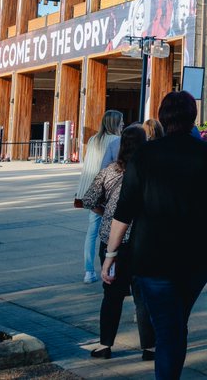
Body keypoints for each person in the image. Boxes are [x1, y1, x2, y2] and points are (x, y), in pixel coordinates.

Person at [103, 91, 207, 380]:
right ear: (193, 117)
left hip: (152, 254)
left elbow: (125, 209)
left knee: (168, 327)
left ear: (162, 117)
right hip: (197, 253)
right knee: (175, 323)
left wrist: (110, 254)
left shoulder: (145, 155)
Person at [83, 124, 155, 361]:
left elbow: (88, 199)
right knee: (142, 295)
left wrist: (105, 212)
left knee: (111, 295)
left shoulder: (109, 171)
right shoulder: (149, 172)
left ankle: (105, 344)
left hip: (111, 241)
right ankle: (150, 346)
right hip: (141, 241)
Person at [77, 110, 123, 283]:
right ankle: (110, 268)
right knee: (111, 233)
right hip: (108, 192)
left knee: (92, 232)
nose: (123, 125)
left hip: (92, 191)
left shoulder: (93, 139)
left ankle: (88, 271)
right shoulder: (116, 141)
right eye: (121, 122)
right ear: (115, 124)